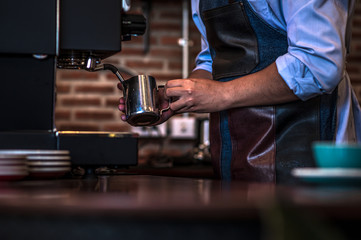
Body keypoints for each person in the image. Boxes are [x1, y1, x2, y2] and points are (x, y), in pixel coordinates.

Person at [119, 0, 361, 184]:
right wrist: (176, 98)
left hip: (309, 141)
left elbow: (318, 62)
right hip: (233, 149)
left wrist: (221, 94)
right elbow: (211, 61)